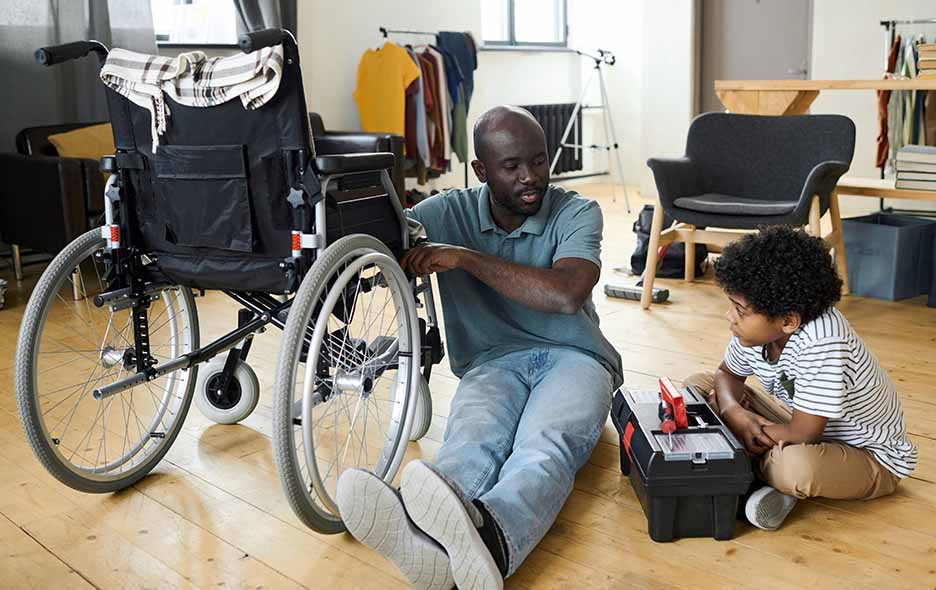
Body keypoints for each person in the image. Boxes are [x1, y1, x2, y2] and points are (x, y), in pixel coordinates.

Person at [335, 105, 623, 590]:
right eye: (512, 167)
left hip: (577, 358)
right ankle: (423, 538)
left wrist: (466, 258)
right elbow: (374, 238)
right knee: (471, 443)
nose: (531, 177)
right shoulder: (443, 213)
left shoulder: (576, 210)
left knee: (543, 447)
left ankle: (493, 540)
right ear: (481, 171)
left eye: (539, 160)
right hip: (493, 361)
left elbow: (566, 294)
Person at [687, 226, 917, 531]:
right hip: (800, 423)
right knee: (698, 386)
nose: (730, 316)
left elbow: (805, 433)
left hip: (867, 456)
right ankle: (752, 468)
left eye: (740, 310)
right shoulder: (756, 335)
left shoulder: (824, 341)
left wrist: (742, 422)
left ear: (788, 320)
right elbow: (726, 373)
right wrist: (734, 412)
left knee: (793, 468)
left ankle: (746, 472)